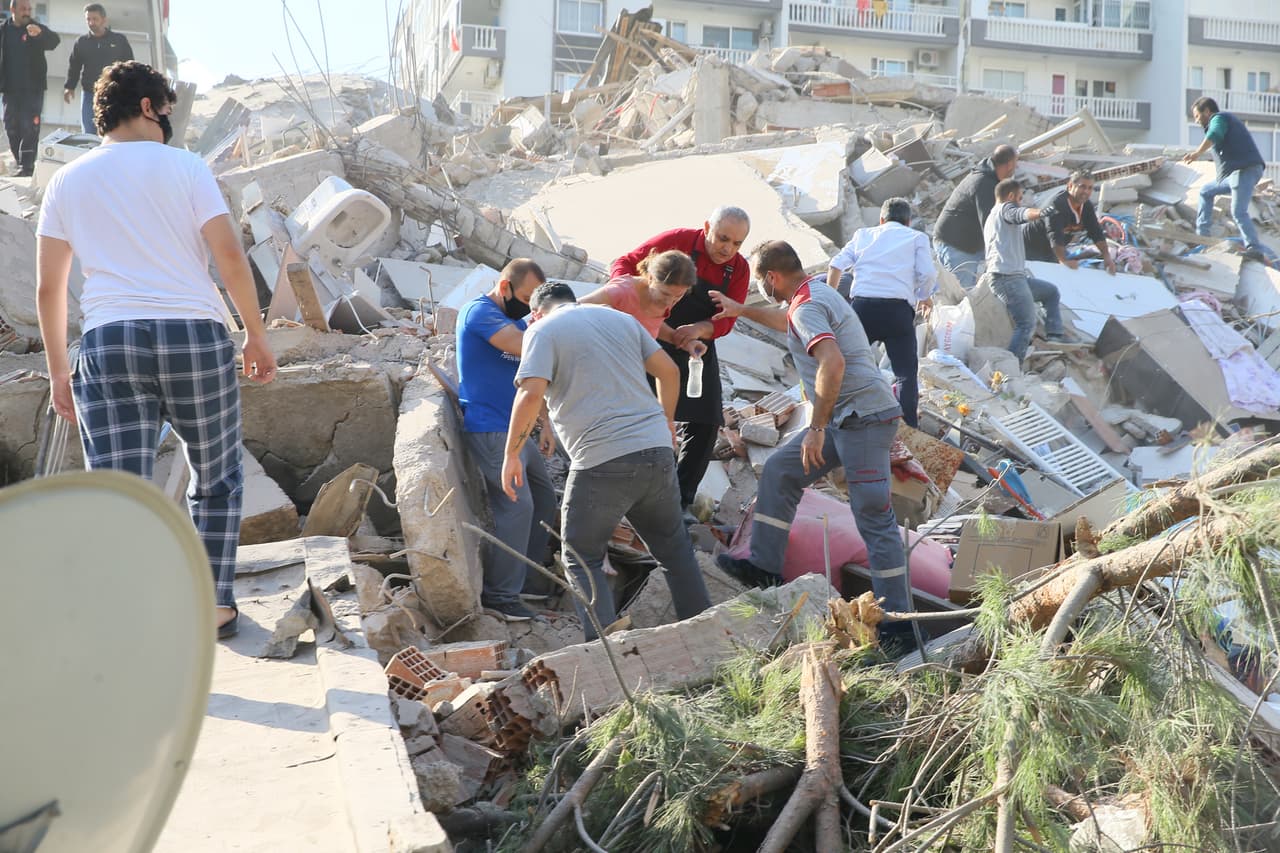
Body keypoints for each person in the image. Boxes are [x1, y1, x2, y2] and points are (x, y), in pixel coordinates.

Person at [35, 61, 277, 640]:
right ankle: (214, 606)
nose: (169, 123)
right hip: (193, 336)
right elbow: (229, 256)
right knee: (216, 477)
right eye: (166, 110)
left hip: (109, 341)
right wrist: (255, 333)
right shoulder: (187, 168)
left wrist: (57, 372)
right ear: (147, 107)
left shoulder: (67, 181)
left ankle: (127, 622)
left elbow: (49, 288)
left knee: (122, 493)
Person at [710, 241, 918, 653]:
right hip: (848, 418)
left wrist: (816, 427)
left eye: (759, 282)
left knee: (873, 515)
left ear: (771, 277)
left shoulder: (806, 305)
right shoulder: (815, 293)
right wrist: (740, 311)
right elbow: (787, 319)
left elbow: (832, 363)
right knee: (781, 471)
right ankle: (764, 567)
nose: (760, 289)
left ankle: (898, 621)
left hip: (861, 420)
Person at [502, 282, 712, 641]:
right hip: (656, 453)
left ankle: (605, 654)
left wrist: (510, 455)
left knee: (581, 556)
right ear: (572, 300)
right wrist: (666, 423)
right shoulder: (621, 319)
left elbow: (530, 392)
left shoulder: (540, 329)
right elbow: (670, 372)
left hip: (601, 460)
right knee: (675, 552)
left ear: (536, 312)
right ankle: (710, 640)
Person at [609, 208, 752, 513]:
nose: (727, 248)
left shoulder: (738, 269)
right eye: (723, 238)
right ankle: (622, 488)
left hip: (695, 345)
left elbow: (727, 319)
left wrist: (698, 330)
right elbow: (623, 264)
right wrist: (634, 297)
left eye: (737, 243)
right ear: (706, 228)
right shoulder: (677, 241)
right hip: (650, 333)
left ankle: (678, 501)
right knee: (640, 412)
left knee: (706, 421)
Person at [456, 259, 557, 622]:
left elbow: (528, 375)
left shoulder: (516, 319)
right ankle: (501, 595)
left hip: (515, 429)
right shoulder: (478, 313)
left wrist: (543, 422)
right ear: (504, 287)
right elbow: (520, 346)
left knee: (544, 499)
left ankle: (526, 581)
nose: (528, 308)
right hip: (488, 427)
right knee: (517, 505)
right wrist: (551, 325)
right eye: (526, 298)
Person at [826, 197, 936, 429]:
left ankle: (837, 418)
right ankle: (910, 429)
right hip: (898, 312)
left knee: (846, 364)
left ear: (881, 219)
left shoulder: (864, 235)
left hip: (863, 308)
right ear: (908, 222)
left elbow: (836, 265)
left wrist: (831, 301)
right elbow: (927, 274)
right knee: (906, 373)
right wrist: (924, 296)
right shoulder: (917, 237)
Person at [984, 178, 1066, 360]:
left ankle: (1055, 334)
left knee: (1050, 292)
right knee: (1026, 324)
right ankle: (1011, 368)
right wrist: (1042, 212)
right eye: (1020, 197)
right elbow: (1020, 214)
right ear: (1011, 196)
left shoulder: (992, 216)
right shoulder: (1005, 209)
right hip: (1006, 278)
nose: (1020, 201)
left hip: (1013, 277)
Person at [1184, 96, 1270, 261]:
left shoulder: (1219, 118)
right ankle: (1203, 238)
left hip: (1244, 171)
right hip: (1233, 175)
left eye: (1197, 116)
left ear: (1207, 112)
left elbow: (1215, 133)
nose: (1196, 121)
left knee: (1238, 211)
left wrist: (1197, 153)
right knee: (1206, 192)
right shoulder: (1221, 121)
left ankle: (1254, 249)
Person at [934, 144, 1018, 289]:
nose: (1016, 167)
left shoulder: (988, 178)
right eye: (1016, 163)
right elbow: (990, 225)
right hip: (956, 245)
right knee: (961, 297)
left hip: (964, 242)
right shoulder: (984, 184)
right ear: (1010, 164)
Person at [0, 0, 60, 176]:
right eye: (23, 9)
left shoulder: (36, 28)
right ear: (12, 9)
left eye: (29, 9)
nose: (26, 12)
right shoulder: (4, 30)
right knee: (11, 127)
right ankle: (19, 162)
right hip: (10, 89)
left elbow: (54, 41)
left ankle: (27, 167)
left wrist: (40, 34)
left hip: (33, 89)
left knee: (29, 127)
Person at [1023, 169, 1117, 274]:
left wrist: (1107, 257)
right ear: (1070, 186)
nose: (1086, 191)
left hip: (1051, 250)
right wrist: (1063, 260)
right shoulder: (1057, 204)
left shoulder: (1086, 206)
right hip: (1029, 246)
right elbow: (1054, 234)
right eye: (1082, 187)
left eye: (1090, 188)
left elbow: (1096, 232)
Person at [63, 4, 133, 135]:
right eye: (88, 19)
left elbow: (129, 65)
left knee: (112, 131)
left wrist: (129, 88)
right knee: (89, 132)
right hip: (89, 93)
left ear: (104, 20)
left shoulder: (119, 40)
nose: (91, 23)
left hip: (113, 94)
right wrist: (69, 87)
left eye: (95, 19)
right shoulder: (81, 42)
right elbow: (74, 66)